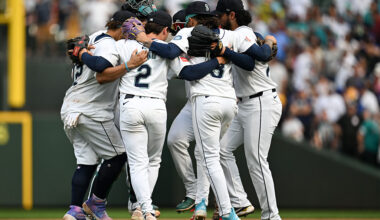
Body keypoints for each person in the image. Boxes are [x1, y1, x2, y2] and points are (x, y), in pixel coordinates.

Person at [61, 10, 147, 220]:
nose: (134, 32)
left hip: (72, 107)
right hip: (92, 110)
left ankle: (74, 211)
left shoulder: (95, 36)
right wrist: (129, 65)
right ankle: (96, 204)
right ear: (122, 25)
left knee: (86, 163)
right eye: (131, 27)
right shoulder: (108, 42)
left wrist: (82, 54)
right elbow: (101, 72)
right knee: (118, 156)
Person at [215, 0, 283, 219]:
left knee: (256, 159)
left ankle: (272, 216)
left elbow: (256, 60)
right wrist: (267, 42)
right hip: (245, 104)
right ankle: (241, 202)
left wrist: (226, 51)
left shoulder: (242, 32)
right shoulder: (243, 34)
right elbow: (262, 53)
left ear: (232, 15)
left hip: (261, 102)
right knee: (221, 150)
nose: (218, 18)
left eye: (222, 14)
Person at [166, 9, 197, 213]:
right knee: (175, 139)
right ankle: (193, 192)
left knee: (216, 154)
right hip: (194, 101)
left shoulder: (220, 36)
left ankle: (230, 203)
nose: (176, 31)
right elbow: (172, 70)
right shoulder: (184, 44)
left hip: (222, 99)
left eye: (178, 26)